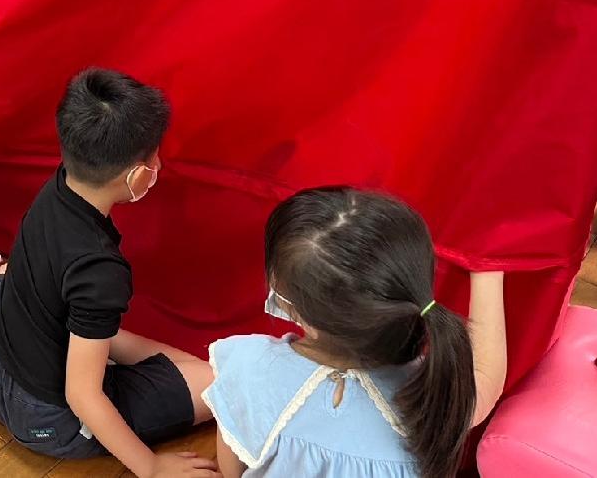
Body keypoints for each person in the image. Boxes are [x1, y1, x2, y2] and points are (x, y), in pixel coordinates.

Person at [0, 68, 218, 477]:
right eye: (154, 155)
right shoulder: (100, 269)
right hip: (44, 417)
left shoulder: (58, 184)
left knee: (8, 275)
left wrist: (172, 358)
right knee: (213, 383)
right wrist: (151, 467)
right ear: (137, 174)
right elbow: (81, 395)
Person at [203, 187, 508, 478]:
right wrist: (488, 265)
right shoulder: (436, 393)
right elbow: (485, 374)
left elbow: (233, 469)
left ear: (293, 308)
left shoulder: (246, 367)